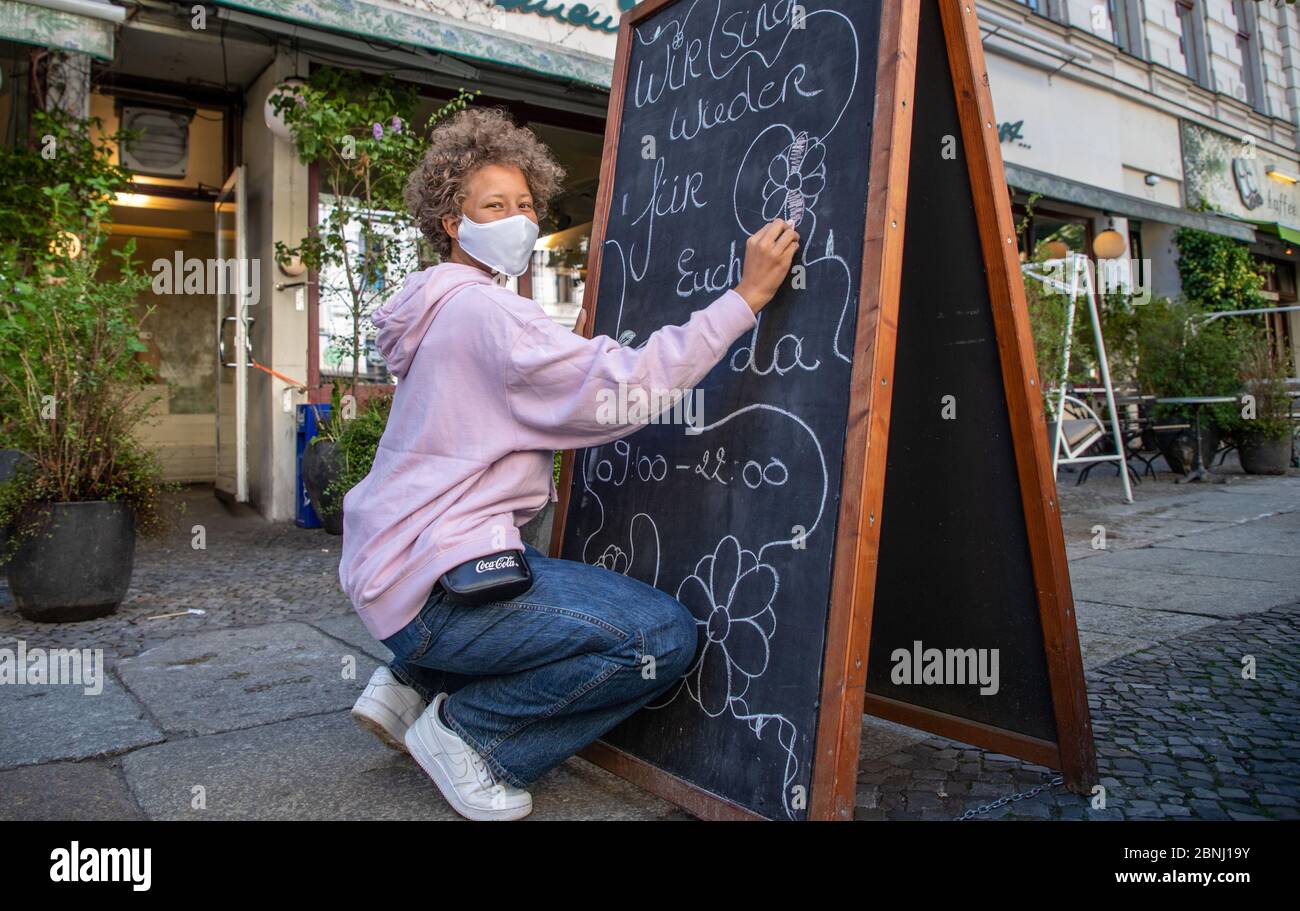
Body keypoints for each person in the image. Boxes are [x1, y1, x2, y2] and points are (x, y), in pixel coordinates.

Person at [341, 107, 799, 821]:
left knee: (526, 566)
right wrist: (747, 298)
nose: (518, 217)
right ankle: (474, 736)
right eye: (494, 205)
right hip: (437, 587)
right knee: (661, 637)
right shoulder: (491, 316)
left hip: (400, 565)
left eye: (525, 203)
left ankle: (407, 684)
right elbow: (626, 392)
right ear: (453, 224)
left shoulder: (435, 305)